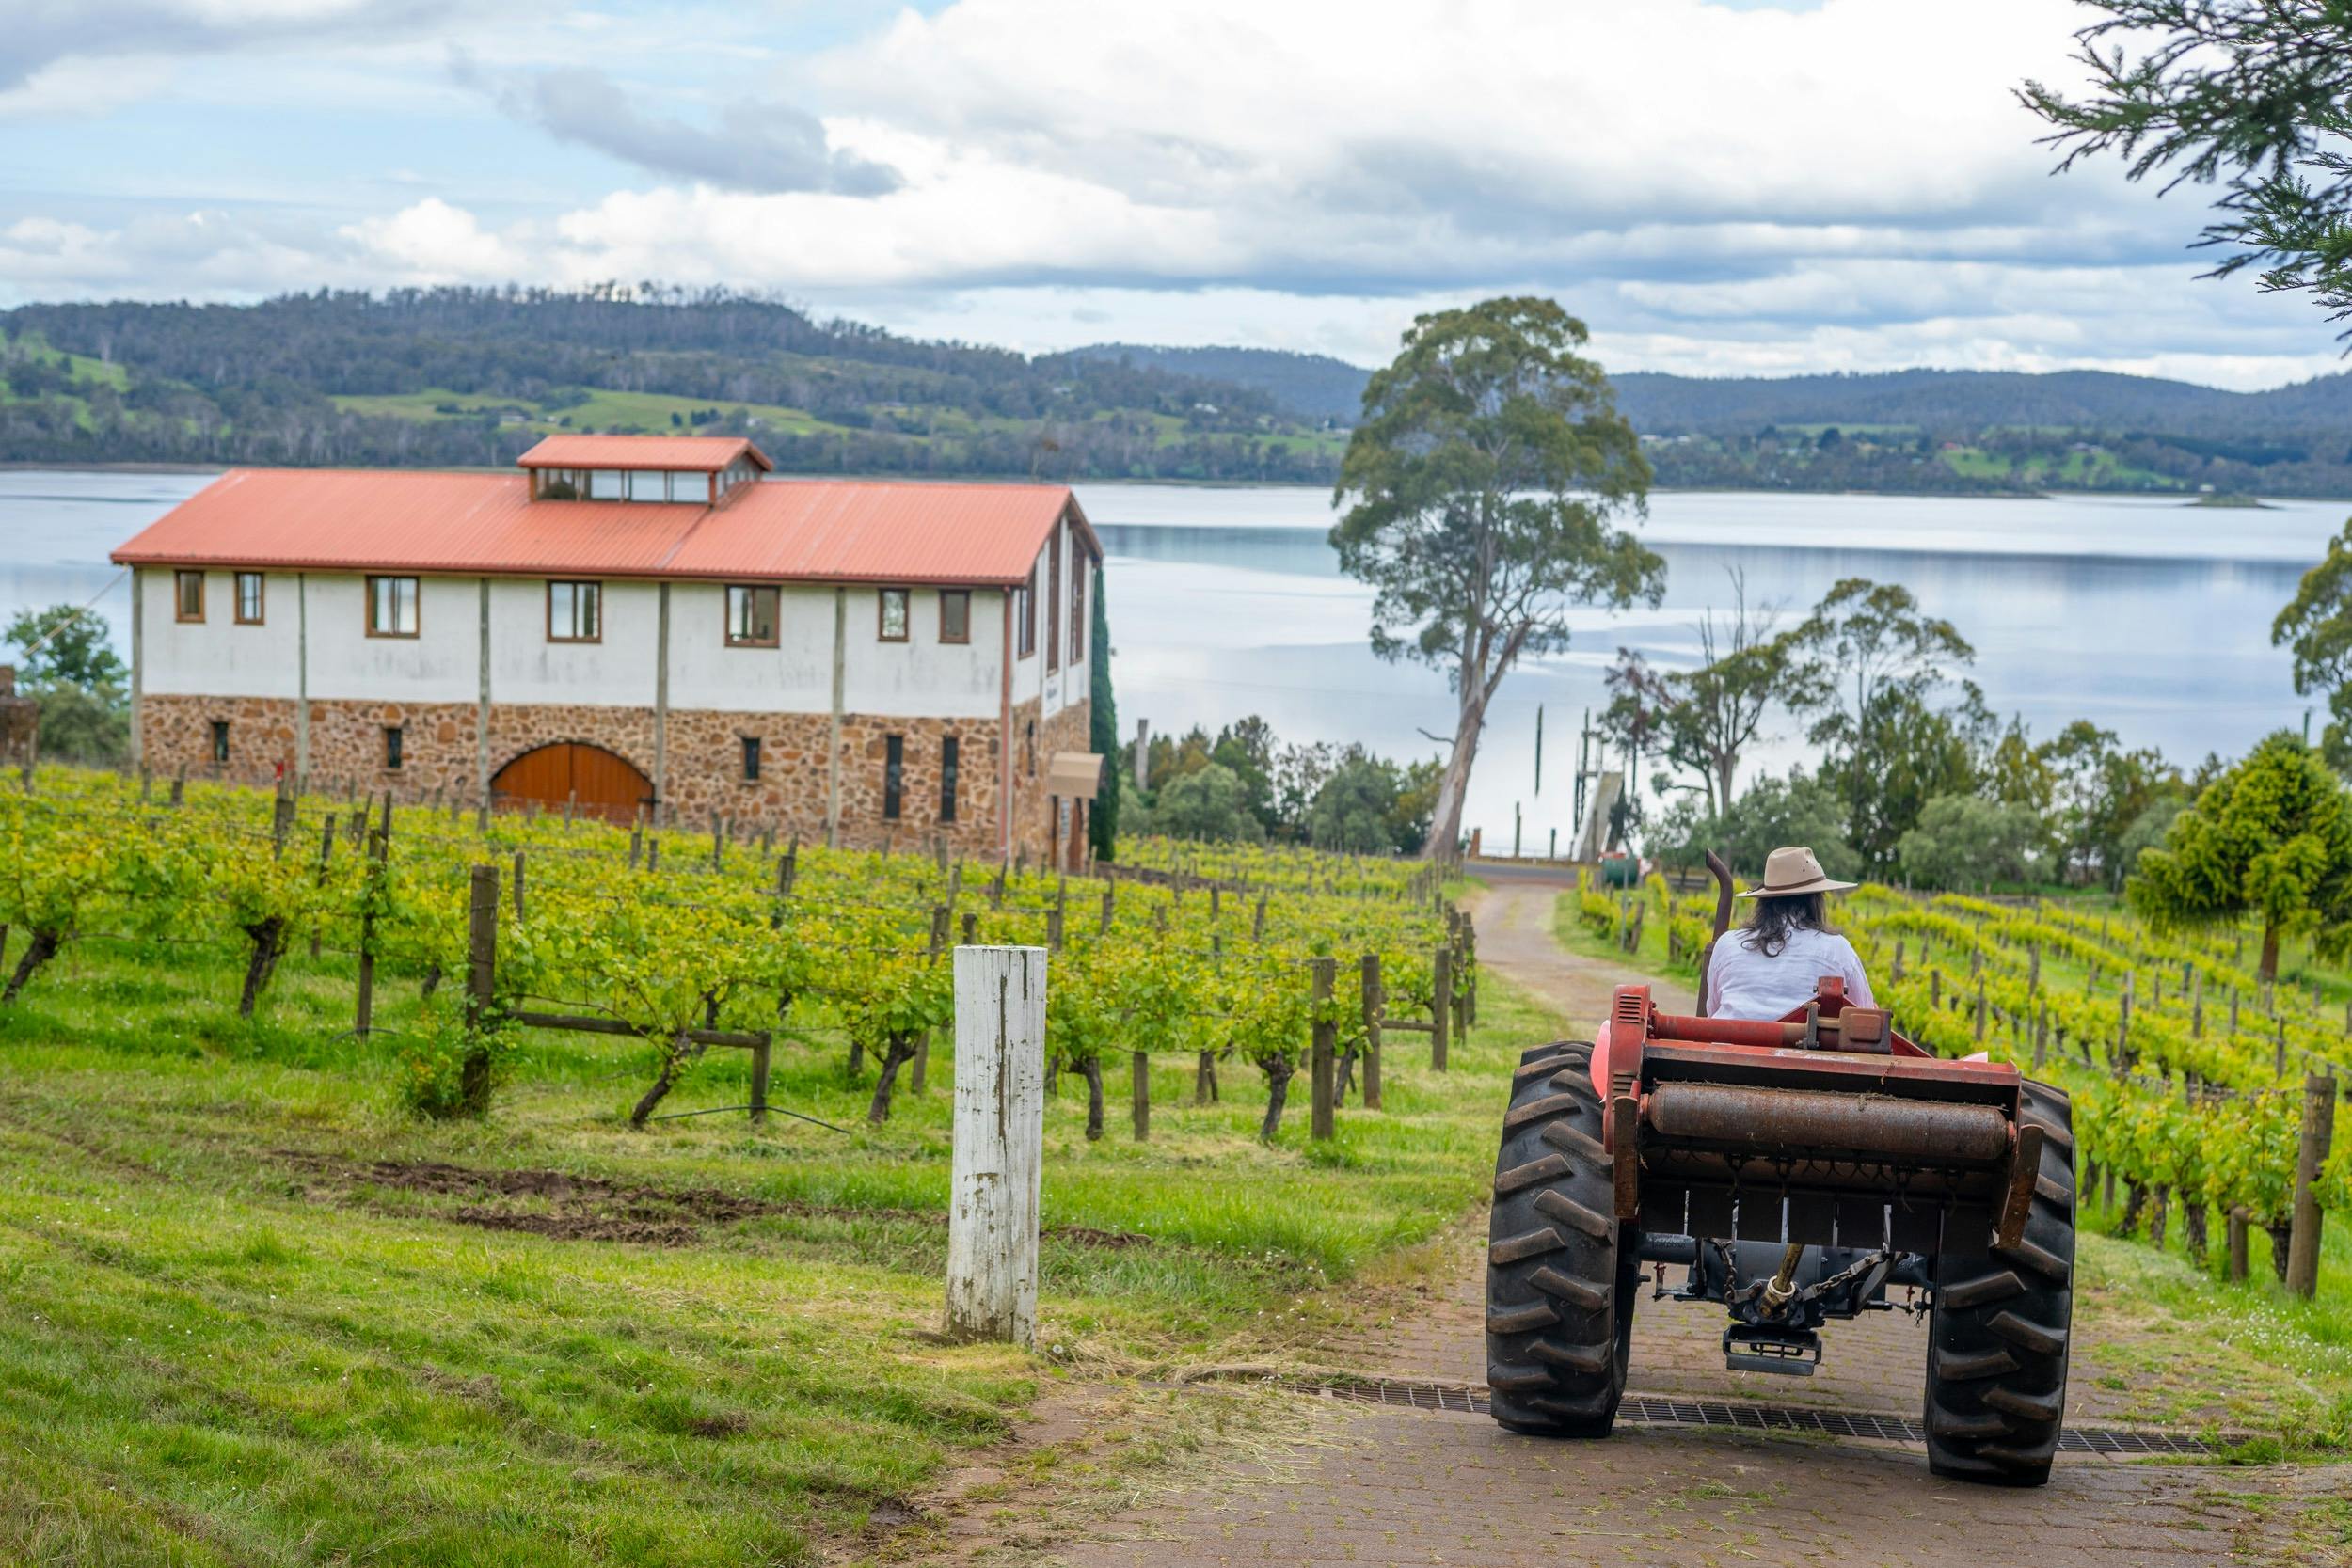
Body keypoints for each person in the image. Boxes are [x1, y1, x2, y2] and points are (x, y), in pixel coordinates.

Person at [1702, 846, 1875, 1022]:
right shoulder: (1837, 949)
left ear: (1764, 900)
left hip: (1729, 1045)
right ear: (1815, 901)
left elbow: (1712, 1011)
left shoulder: (1727, 944)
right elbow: (1866, 1014)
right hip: (1804, 1048)